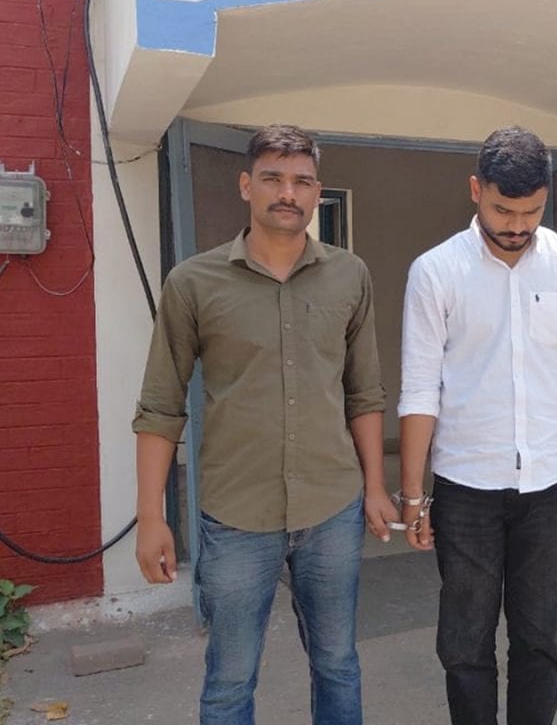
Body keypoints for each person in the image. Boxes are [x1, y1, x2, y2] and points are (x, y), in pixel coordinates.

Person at [132, 124, 392, 725]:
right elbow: (161, 406)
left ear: (318, 192)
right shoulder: (193, 283)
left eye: (302, 181)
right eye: (273, 178)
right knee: (229, 680)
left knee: (338, 663)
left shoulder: (350, 275)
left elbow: (364, 392)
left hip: (331, 508)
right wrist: (151, 517)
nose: (288, 193)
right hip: (236, 516)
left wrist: (376, 488)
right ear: (246, 185)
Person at [396, 125, 557, 725]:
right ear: (476, 190)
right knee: (464, 642)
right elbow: (420, 388)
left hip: (549, 484)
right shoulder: (435, 271)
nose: (517, 226)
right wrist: (414, 494)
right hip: (465, 487)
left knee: (541, 639)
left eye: (531, 212)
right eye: (504, 210)